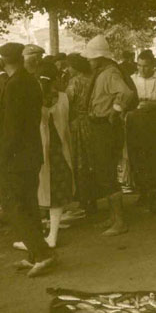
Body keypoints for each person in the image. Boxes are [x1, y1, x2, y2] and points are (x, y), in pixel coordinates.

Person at [0, 42, 55, 277]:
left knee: (13, 204)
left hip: (14, 154)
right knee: (29, 203)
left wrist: (2, 156)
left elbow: (11, 127)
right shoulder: (31, 80)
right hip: (31, 151)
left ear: (2, 62)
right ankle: (35, 253)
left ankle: (42, 253)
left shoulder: (14, 85)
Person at [82, 35, 136, 236]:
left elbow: (126, 93)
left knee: (107, 171)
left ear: (100, 58)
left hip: (105, 126)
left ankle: (120, 221)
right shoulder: (103, 72)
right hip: (99, 126)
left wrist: (115, 109)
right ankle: (113, 217)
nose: (89, 60)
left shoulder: (110, 73)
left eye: (91, 57)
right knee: (104, 172)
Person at [127, 49, 156, 213]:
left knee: (155, 157)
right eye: (139, 66)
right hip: (136, 121)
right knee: (138, 156)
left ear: (153, 65)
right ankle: (143, 192)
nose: (142, 70)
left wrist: (155, 104)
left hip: (155, 121)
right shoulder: (132, 79)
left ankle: (155, 195)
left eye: (146, 66)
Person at [37, 62, 74, 248]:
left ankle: (41, 233)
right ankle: (52, 232)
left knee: (40, 189)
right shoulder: (63, 98)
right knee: (57, 191)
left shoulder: (34, 100)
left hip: (39, 149)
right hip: (59, 149)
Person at [65, 53, 95, 213]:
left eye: (69, 66)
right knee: (92, 161)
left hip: (78, 124)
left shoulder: (74, 82)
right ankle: (93, 198)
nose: (67, 69)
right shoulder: (93, 78)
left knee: (80, 162)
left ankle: (85, 199)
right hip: (93, 123)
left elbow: (68, 102)